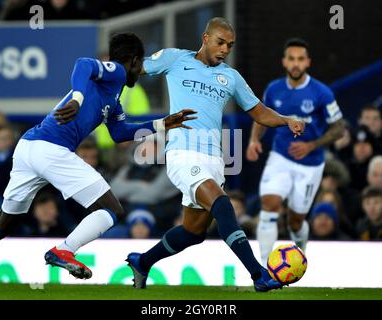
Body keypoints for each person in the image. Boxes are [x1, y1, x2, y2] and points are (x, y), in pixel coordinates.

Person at [0, 33, 195, 280]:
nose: (141, 71)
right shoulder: (118, 72)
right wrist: (77, 99)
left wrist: (162, 124)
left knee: (2, 227)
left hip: (28, 148)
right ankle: (63, 251)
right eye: (140, 64)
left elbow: (120, 133)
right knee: (111, 209)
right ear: (134, 60)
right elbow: (83, 63)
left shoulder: (113, 99)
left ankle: (63, 251)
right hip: (50, 149)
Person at [126, 17, 305, 293]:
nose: (224, 49)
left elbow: (258, 111)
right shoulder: (175, 59)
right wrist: (106, 75)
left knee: (193, 232)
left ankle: (143, 262)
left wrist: (285, 119)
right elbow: (137, 68)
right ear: (206, 38)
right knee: (222, 205)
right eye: (220, 42)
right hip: (182, 153)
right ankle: (258, 274)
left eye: (230, 45)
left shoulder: (230, 77)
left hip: (213, 160)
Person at [246, 38, 344, 265]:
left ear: (308, 62)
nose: (296, 64)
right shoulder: (274, 89)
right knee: (269, 206)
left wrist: (311, 145)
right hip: (280, 156)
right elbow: (262, 117)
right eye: (291, 59)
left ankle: (300, 254)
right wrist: (253, 140)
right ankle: (262, 270)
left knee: (295, 222)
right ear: (284, 62)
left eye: (300, 59)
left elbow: (339, 127)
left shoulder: (322, 92)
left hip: (311, 163)